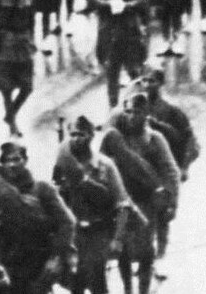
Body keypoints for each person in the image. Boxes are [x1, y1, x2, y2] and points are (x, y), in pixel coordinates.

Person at [100, 94, 180, 294]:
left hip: (146, 201)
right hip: (122, 201)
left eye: (136, 112)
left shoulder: (155, 139)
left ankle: (143, 289)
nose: (131, 116)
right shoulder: (117, 138)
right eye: (127, 111)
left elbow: (171, 171)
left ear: (146, 114)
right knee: (123, 250)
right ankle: (128, 289)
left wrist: (172, 202)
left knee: (145, 250)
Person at [52, 116, 134, 294]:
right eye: (72, 134)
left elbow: (122, 203)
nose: (75, 138)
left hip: (101, 230)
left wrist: (118, 238)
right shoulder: (64, 164)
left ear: (90, 136)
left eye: (80, 134)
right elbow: (56, 198)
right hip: (76, 232)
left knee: (96, 278)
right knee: (74, 281)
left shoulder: (105, 166)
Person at [134, 68, 199, 258]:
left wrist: (184, 167)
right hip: (142, 170)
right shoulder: (134, 109)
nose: (147, 85)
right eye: (144, 81)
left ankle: (160, 255)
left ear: (160, 84)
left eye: (152, 81)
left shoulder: (171, 112)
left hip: (163, 169)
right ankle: (146, 257)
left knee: (163, 215)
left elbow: (188, 140)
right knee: (143, 215)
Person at [0, 141, 77, 294]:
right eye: (6, 161)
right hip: (10, 263)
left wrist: (56, 258)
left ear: (25, 160)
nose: (12, 165)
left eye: (16, 159)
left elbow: (67, 223)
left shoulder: (42, 189)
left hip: (40, 263)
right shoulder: (0, 193)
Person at [87, 0, 151, 108]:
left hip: (131, 28)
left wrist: (127, 5)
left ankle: (141, 108)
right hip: (109, 30)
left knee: (135, 71)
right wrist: (108, 4)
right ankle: (113, 110)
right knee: (112, 73)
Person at [0, 0, 35, 138]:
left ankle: (9, 115)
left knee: (27, 87)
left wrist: (32, 40)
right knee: (6, 88)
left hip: (24, 44)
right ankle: (12, 124)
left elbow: (31, 20)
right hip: (5, 45)